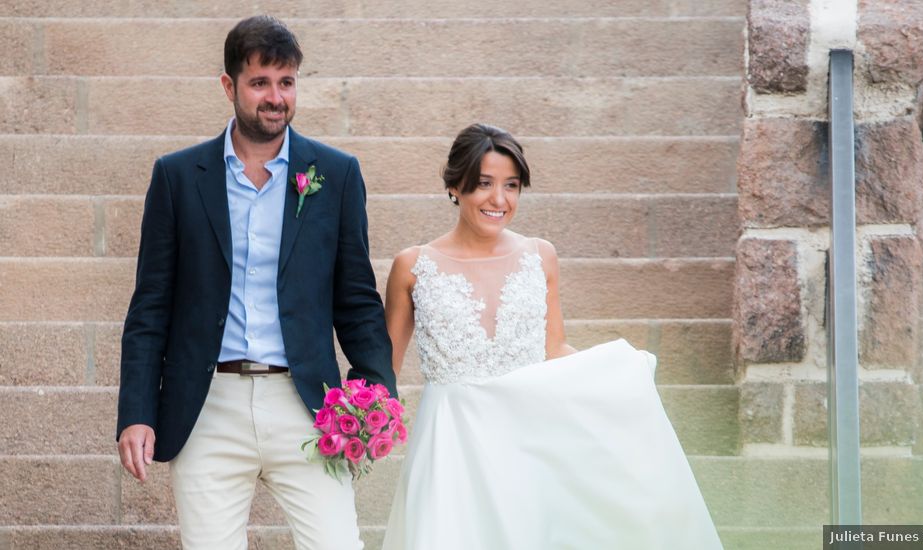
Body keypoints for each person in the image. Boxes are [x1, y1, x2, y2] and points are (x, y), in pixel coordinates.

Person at [115, 15, 395, 550]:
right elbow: (150, 306)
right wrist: (136, 412)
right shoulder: (177, 177)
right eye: (260, 82)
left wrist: (375, 392)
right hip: (207, 406)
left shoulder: (334, 174)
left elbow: (357, 299)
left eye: (286, 82)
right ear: (229, 86)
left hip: (307, 406)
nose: (275, 97)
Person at [380, 123, 723, 549]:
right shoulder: (413, 266)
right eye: (484, 184)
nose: (499, 200)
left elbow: (554, 350)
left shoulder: (539, 255)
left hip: (527, 440)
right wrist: (358, 421)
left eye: (512, 186)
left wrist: (616, 377)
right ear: (455, 186)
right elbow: (385, 368)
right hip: (450, 444)